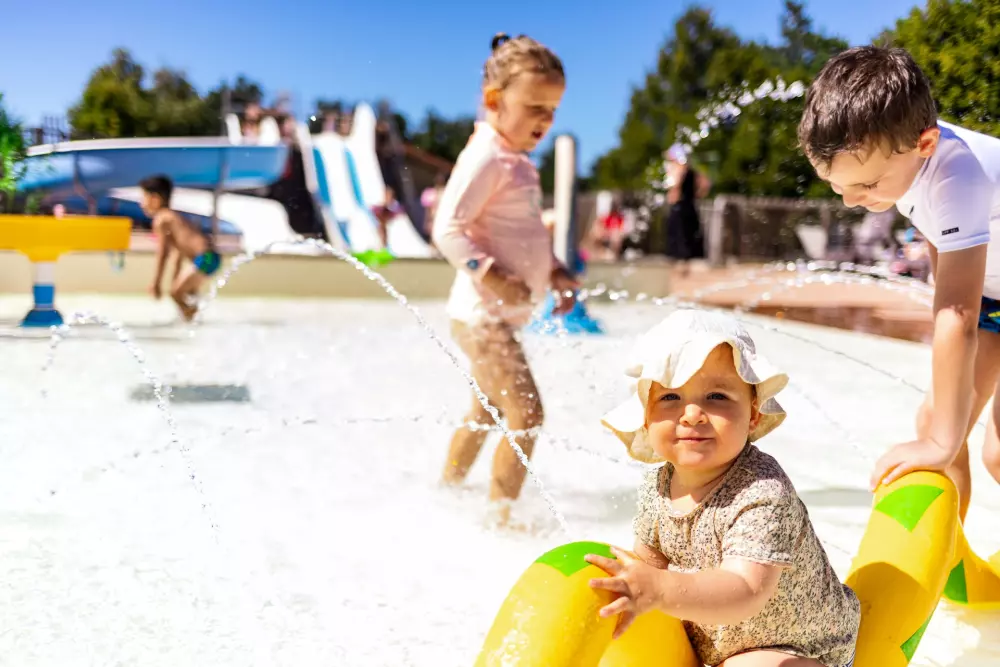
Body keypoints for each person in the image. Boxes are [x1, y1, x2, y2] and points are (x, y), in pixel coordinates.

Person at [586, 309, 860, 667]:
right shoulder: (657, 486)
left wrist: (659, 588)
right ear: (646, 417)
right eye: (670, 398)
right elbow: (645, 567)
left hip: (797, 646)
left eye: (716, 396)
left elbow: (746, 590)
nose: (692, 414)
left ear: (753, 414)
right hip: (715, 647)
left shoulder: (761, 490)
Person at [798, 46, 1000, 520]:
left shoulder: (957, 174)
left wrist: (940, 442)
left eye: (866, 186)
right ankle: (949, 553)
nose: (851, 201)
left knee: (993, 451)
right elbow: (943, 252)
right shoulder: (902, 165)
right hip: (994, 297)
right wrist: (940, 436)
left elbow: (957, 316)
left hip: (985, 302)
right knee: (936, 422)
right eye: (837, 186)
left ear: (925, 144)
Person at [432, 32, 578, 526]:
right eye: (535, 107)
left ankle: (446, 492)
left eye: (552, 110)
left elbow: (526, 233)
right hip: (481, 316)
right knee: (527, 414)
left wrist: (554, 270)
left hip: (493, 317)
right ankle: (500, 518)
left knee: (485, 411)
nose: (545, 121)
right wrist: (491, 276)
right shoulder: (486, 156)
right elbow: (447, 230)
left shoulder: (516, 161)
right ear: (494, 101)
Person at [140, 175, 221, 321]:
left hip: (205, 258)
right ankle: (194, 322)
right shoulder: (173, 216)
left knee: (176, 294)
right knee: (187, 294)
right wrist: (175, 279)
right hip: (210, 257)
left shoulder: (161, 219)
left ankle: (193, 323)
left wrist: (156, 282)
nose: (141, 204)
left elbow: (163, 253)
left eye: (143, 198)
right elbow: (178, 254)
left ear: (155, 198)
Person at [663, 144, 711, 276]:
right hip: (690, 206)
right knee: (690, 235)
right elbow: (706, 184)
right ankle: (686, 265)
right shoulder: (692, 171)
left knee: (679, 236)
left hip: (679, 207)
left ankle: (681, 267)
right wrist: (697, 194)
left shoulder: (678, 169)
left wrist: (674, 194)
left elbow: (675, 186)